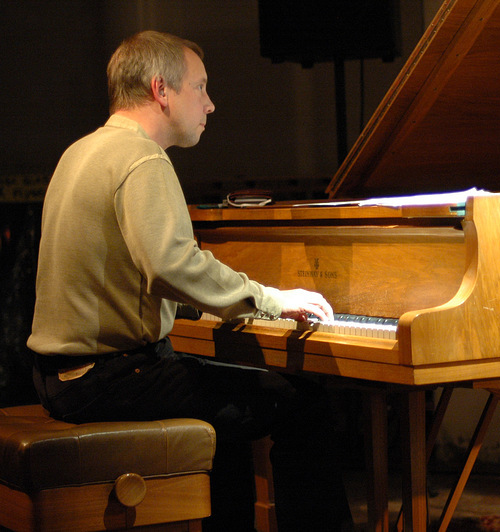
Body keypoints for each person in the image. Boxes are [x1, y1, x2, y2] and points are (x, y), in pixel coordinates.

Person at [27, 30, 352, 531]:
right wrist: (269, 299)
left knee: (223, 415)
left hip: (60, 376)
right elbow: (172, 266)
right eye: (200, 87)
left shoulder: (80, 151)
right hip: (108, 380)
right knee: (299, 403)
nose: (211, 103)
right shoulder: (143, 158)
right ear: (162, 90)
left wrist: (201, 307)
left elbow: (124, 272)